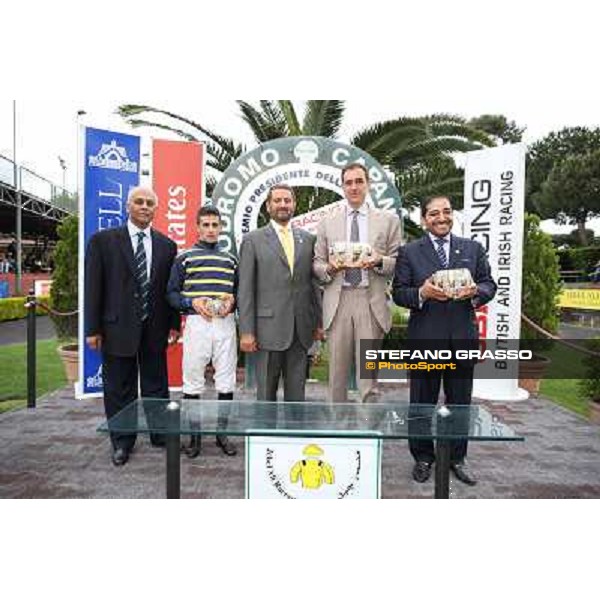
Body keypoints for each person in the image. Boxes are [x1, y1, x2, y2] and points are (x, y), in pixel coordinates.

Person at [392, 195, 497, 486]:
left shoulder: (472, 249)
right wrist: (423, 293)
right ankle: (423, 457)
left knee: (460, 403)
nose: (442, 218)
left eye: (447, 212)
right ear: (425, 218)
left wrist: (476, 292)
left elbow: (490, 284)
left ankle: (457, 458)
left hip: (462, 340)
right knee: (422, 403)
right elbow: (399, 292)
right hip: (424, 340)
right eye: (434, 213)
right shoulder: (409, 252)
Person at [85, 186, 180, 466]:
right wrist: (92, 329)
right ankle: (122, 443)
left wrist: (174, 324)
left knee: (156, 385)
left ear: (156, 209)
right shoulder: (103, 242)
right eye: (139, 202)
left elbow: (169, 289)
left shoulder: (166, 245)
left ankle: (160, 435)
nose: (144, 206)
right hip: (116, 329)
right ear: (128, 206)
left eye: (150, 203)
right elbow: (93, 288)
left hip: (155, 329)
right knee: (119, 388)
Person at [313, 163, 402, 402]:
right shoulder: (326, 223)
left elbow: (398, 262)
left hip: (370, 302)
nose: (354, 187)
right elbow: (317, 264)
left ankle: (368, 432)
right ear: (342, 186)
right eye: (349, 182)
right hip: (338, 301)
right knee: (336, 380)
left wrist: (378, 261)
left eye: (359, 181)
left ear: (368, 184)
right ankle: (338, 434)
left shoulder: (388, 221)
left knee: (368, 380)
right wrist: (331, 268)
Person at [238, 184, 322, 407]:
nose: (283, 204)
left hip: (300, 331)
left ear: (294, 204)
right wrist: (246, 331)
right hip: (267, 330)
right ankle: (264, 439)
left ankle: (294, 439)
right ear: (268, 206)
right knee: (265, 396)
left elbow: (313, 285)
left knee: (297, 397)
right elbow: (245, 289)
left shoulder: (308, 239)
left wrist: (318, 323)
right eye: (278, 200)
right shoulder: (252, 240)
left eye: (287, 200)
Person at [166, 205, 238, 458]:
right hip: (197, 324)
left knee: (226, 380)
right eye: (205, 225)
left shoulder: (231, 260)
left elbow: (239, 295)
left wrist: (233, 302)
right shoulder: (184, 258)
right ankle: (194, 438)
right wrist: (190, 303)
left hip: (226, 325)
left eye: (214, 225)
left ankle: (221, 434)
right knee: (193, 382)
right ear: (197, 227)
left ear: (220, 227)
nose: (210, 229)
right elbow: (171, 294)